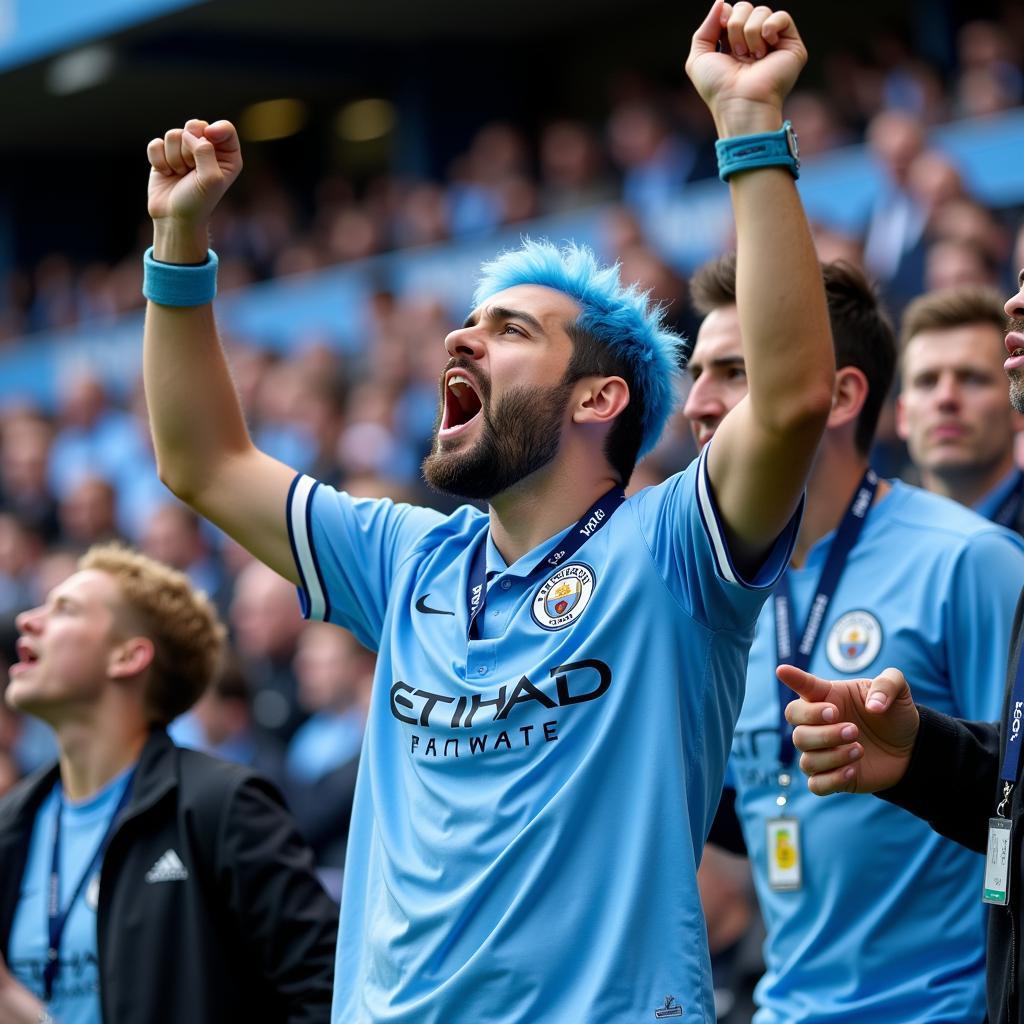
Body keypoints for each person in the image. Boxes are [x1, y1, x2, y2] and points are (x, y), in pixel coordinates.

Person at [140, 3, 835, 1019]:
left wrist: (748, 123)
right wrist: (179, 239)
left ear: (598, 399)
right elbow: (201, 460)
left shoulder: (672, 551)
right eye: (463, 325)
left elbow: (789, 400)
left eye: (507, 331)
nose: (460, 342)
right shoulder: (406, 558)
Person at [683, 254, 1024, 1022]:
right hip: (785, 1007)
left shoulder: (970, 562)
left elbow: (1009, 810)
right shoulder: (728, 587)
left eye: (734, 372)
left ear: (838, 395)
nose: (697, 404)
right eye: (697, 372)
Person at [0, 544, 338, 1024]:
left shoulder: (222, 807)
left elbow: (326, 995)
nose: (28, 621)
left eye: (65, 609)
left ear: (129, 656)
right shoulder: (12, 823)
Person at [897, 285, 1024, 532]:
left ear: (1017, 406)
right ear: (902, 414)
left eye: (973, 379)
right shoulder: (872, 538)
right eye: (927, 381)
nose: (946, 398)